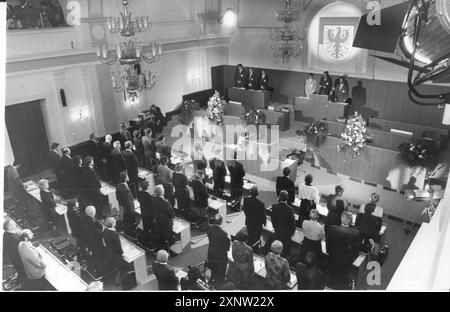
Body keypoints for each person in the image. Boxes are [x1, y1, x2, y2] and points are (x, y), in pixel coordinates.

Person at [326, 211, 361, 289]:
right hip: (346, 259)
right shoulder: (356, 233)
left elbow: (328, 242)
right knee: (343, 275)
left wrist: (329, 251)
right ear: (351, 221)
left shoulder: (332, 228)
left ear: (341, 218)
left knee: (332, 272)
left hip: (333, 256)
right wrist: (352, 258)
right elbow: (356, 249)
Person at [207, 214, 230, 287]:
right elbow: (227, 246)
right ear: (221, 222)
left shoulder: (209, 229)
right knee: (221, 270)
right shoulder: (223, 233)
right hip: (221, 255)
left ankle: (212, 280)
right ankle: (220, 283)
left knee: (213, 267)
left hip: (211, 252)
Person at [270, 191, 296, 258]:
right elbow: (292, 223)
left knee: (275, 250)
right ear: (287, 198)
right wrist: (292, 232)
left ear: (279, 197)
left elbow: (272, 219)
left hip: (277, 232)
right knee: (284, 252)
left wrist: (275, 227)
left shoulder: (274, 207)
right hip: (286, 235)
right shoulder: (290, 210)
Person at [101, 217, 124, 286]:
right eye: (114, 222)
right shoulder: (114, 234)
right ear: (112, 224)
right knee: (117, 267)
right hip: (115, 254)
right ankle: (117, 281)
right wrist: (122, 253)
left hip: (108, 252)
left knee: (114, 266)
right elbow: (118, 246)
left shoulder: (104, 231)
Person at [153, 185, 175, 251]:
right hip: (167, 223)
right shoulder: (166, 202)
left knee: (162, 236)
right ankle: (169, 250)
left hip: (159, 221)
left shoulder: (154, 200)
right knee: (168, 237)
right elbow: (172, 214)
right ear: (162, 192)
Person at [115, 172, 137, 236]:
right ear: (125, 178)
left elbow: (118, 198)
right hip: (129, 209)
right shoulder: (125, 189)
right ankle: (131, 234)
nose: (128, 177)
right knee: (130, 222)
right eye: (127, 176)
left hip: (124, 207)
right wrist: (131, 210)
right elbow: (127, 202)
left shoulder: (119, 186)